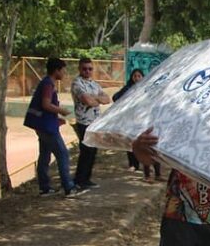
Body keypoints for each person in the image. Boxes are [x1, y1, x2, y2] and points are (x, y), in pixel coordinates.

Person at [23, 58, 84, 198]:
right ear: (57, 70)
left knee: (44, 155)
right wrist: (61, 110)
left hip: (44, 125)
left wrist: (57, 119)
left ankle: (44, 188)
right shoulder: (48, 84)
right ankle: (68, 187)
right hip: (47, 128)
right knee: (62, 154)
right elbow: (46, 104)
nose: (64, 73)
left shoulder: (47, 83)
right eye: (63, 70)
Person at [113, 68, 163, 181]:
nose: (137, 78)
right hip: (136, 122)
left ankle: (158, 174)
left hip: (149, 120)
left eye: (139, 76)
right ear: (131, 78)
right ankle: (147, 175)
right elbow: (115, 97)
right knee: (142, 146)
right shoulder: (128, 89)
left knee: (155, 147)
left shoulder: (148, 89)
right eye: (134, 76)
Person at [71, 58, 111, 189]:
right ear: (79, 69)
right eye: (84, 69)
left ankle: (86, 178)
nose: (87, 71)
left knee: (93, 151)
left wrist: (95, 99)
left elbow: (107, 99)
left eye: (90, 68)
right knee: (86, 151)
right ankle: (79, 179)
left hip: (95, 122)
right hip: (84, 122)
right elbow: (88, 101)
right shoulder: (77, 83)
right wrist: (96, 99)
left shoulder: (94, 84)